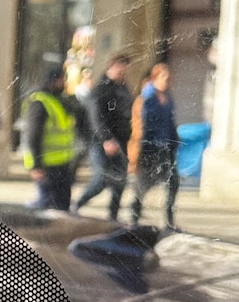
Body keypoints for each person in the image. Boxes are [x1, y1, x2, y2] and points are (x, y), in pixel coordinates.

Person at [74, 50, 133, 218]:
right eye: (121, 70)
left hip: (121, 141)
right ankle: (77, 205)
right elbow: (96, 118)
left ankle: (113, 216)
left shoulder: (123, 88)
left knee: (120, 181)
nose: (124, 73)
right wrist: (107, 139)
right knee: (101, 178)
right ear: (112, 67)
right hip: (100, 142)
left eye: (126, 70)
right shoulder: (101, 89)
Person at [21, 62, 83, 212]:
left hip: (61, 163)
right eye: (63, 79)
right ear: (54, 80)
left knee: (60, 206)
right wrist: (36, 166)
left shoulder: (57, 100)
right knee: (49, 208)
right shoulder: (40, 102)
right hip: (47, 165)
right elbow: (33, 135)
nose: (65, 82)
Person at [129, 62, 179, 227]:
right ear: (155, 78)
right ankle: (134, 216)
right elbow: (142, 125)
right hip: (149, 147)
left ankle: (168, 220)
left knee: (173, 181)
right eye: (164, 78)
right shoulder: (147, 98)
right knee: (143, 184)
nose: (168, 81)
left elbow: (170, 122)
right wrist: (142, 150)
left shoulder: (168, 98)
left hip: (166, 147)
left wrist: (175, 140)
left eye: (169, 78)